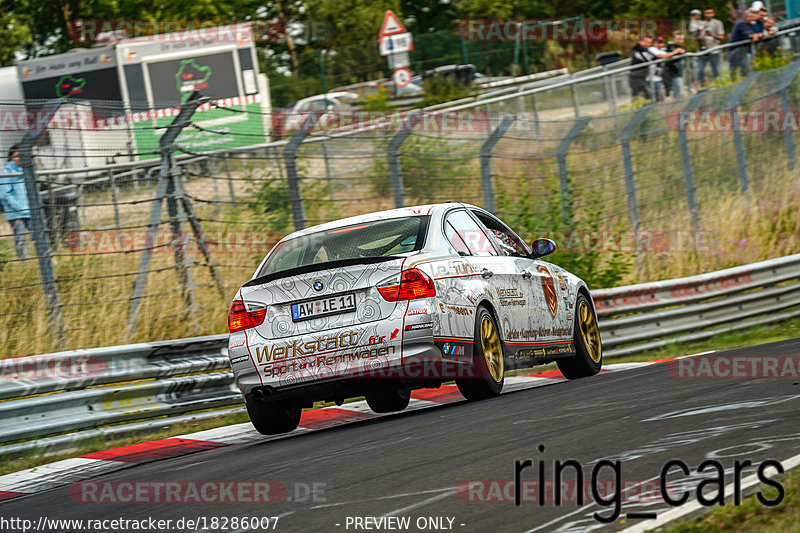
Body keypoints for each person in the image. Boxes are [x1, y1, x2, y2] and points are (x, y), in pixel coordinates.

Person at [1, 144, 32, 259]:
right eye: (17, 155)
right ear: (11, 157)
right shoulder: (7, 172)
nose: (20, 157)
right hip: (15, 213)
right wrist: (20, 207)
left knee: (38, 235)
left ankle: (43, 259)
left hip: (29, 210)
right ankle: (23, 262)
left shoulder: (26, 169)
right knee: (20, 239)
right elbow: (5, 194)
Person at [693, 8, 725, 84]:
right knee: (699, 71)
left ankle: (718, 86)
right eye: (707, 13)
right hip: (702, 51)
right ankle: (702, 87)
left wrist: (712, 35)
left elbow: (722, 38)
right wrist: (699, 37)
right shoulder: (700, 24)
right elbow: (693, 39)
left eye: (710, 13)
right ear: (704, 14)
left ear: (713, 14)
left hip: (714, 51)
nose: (709, 14)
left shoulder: (717, 23)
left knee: (716, 71)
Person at [729, 8, 763, 77]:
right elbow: (751, 36)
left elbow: (757, 35)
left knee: (745, 70)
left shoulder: (750, 24)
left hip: (742, 51)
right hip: (735, 51)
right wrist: (757, 35)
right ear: (747, 16)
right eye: (753, 17)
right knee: (737, 72)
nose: (754, 19)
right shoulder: (741, 23)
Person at [630, 35, 657, 100]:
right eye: (646, 42)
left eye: (650, 42)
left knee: (645, 94)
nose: (648, 44)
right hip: (636, 77)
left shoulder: (646, 50)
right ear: (641, 41)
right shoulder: (637, 51)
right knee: (639, 95)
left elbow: (653, 58)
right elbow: (648, 59)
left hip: (643, 76)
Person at [663, 32, 688, 98]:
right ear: (673, 39)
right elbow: (668, 54)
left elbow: (683, 51)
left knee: (679, 89)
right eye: (678, 39)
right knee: (667, 92)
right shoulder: (670, 46)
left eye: (681, 39)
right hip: (667, 72)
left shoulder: (683, 48)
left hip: (677, 72)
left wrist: (676, 52)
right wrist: (677, 51)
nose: (680, 41)